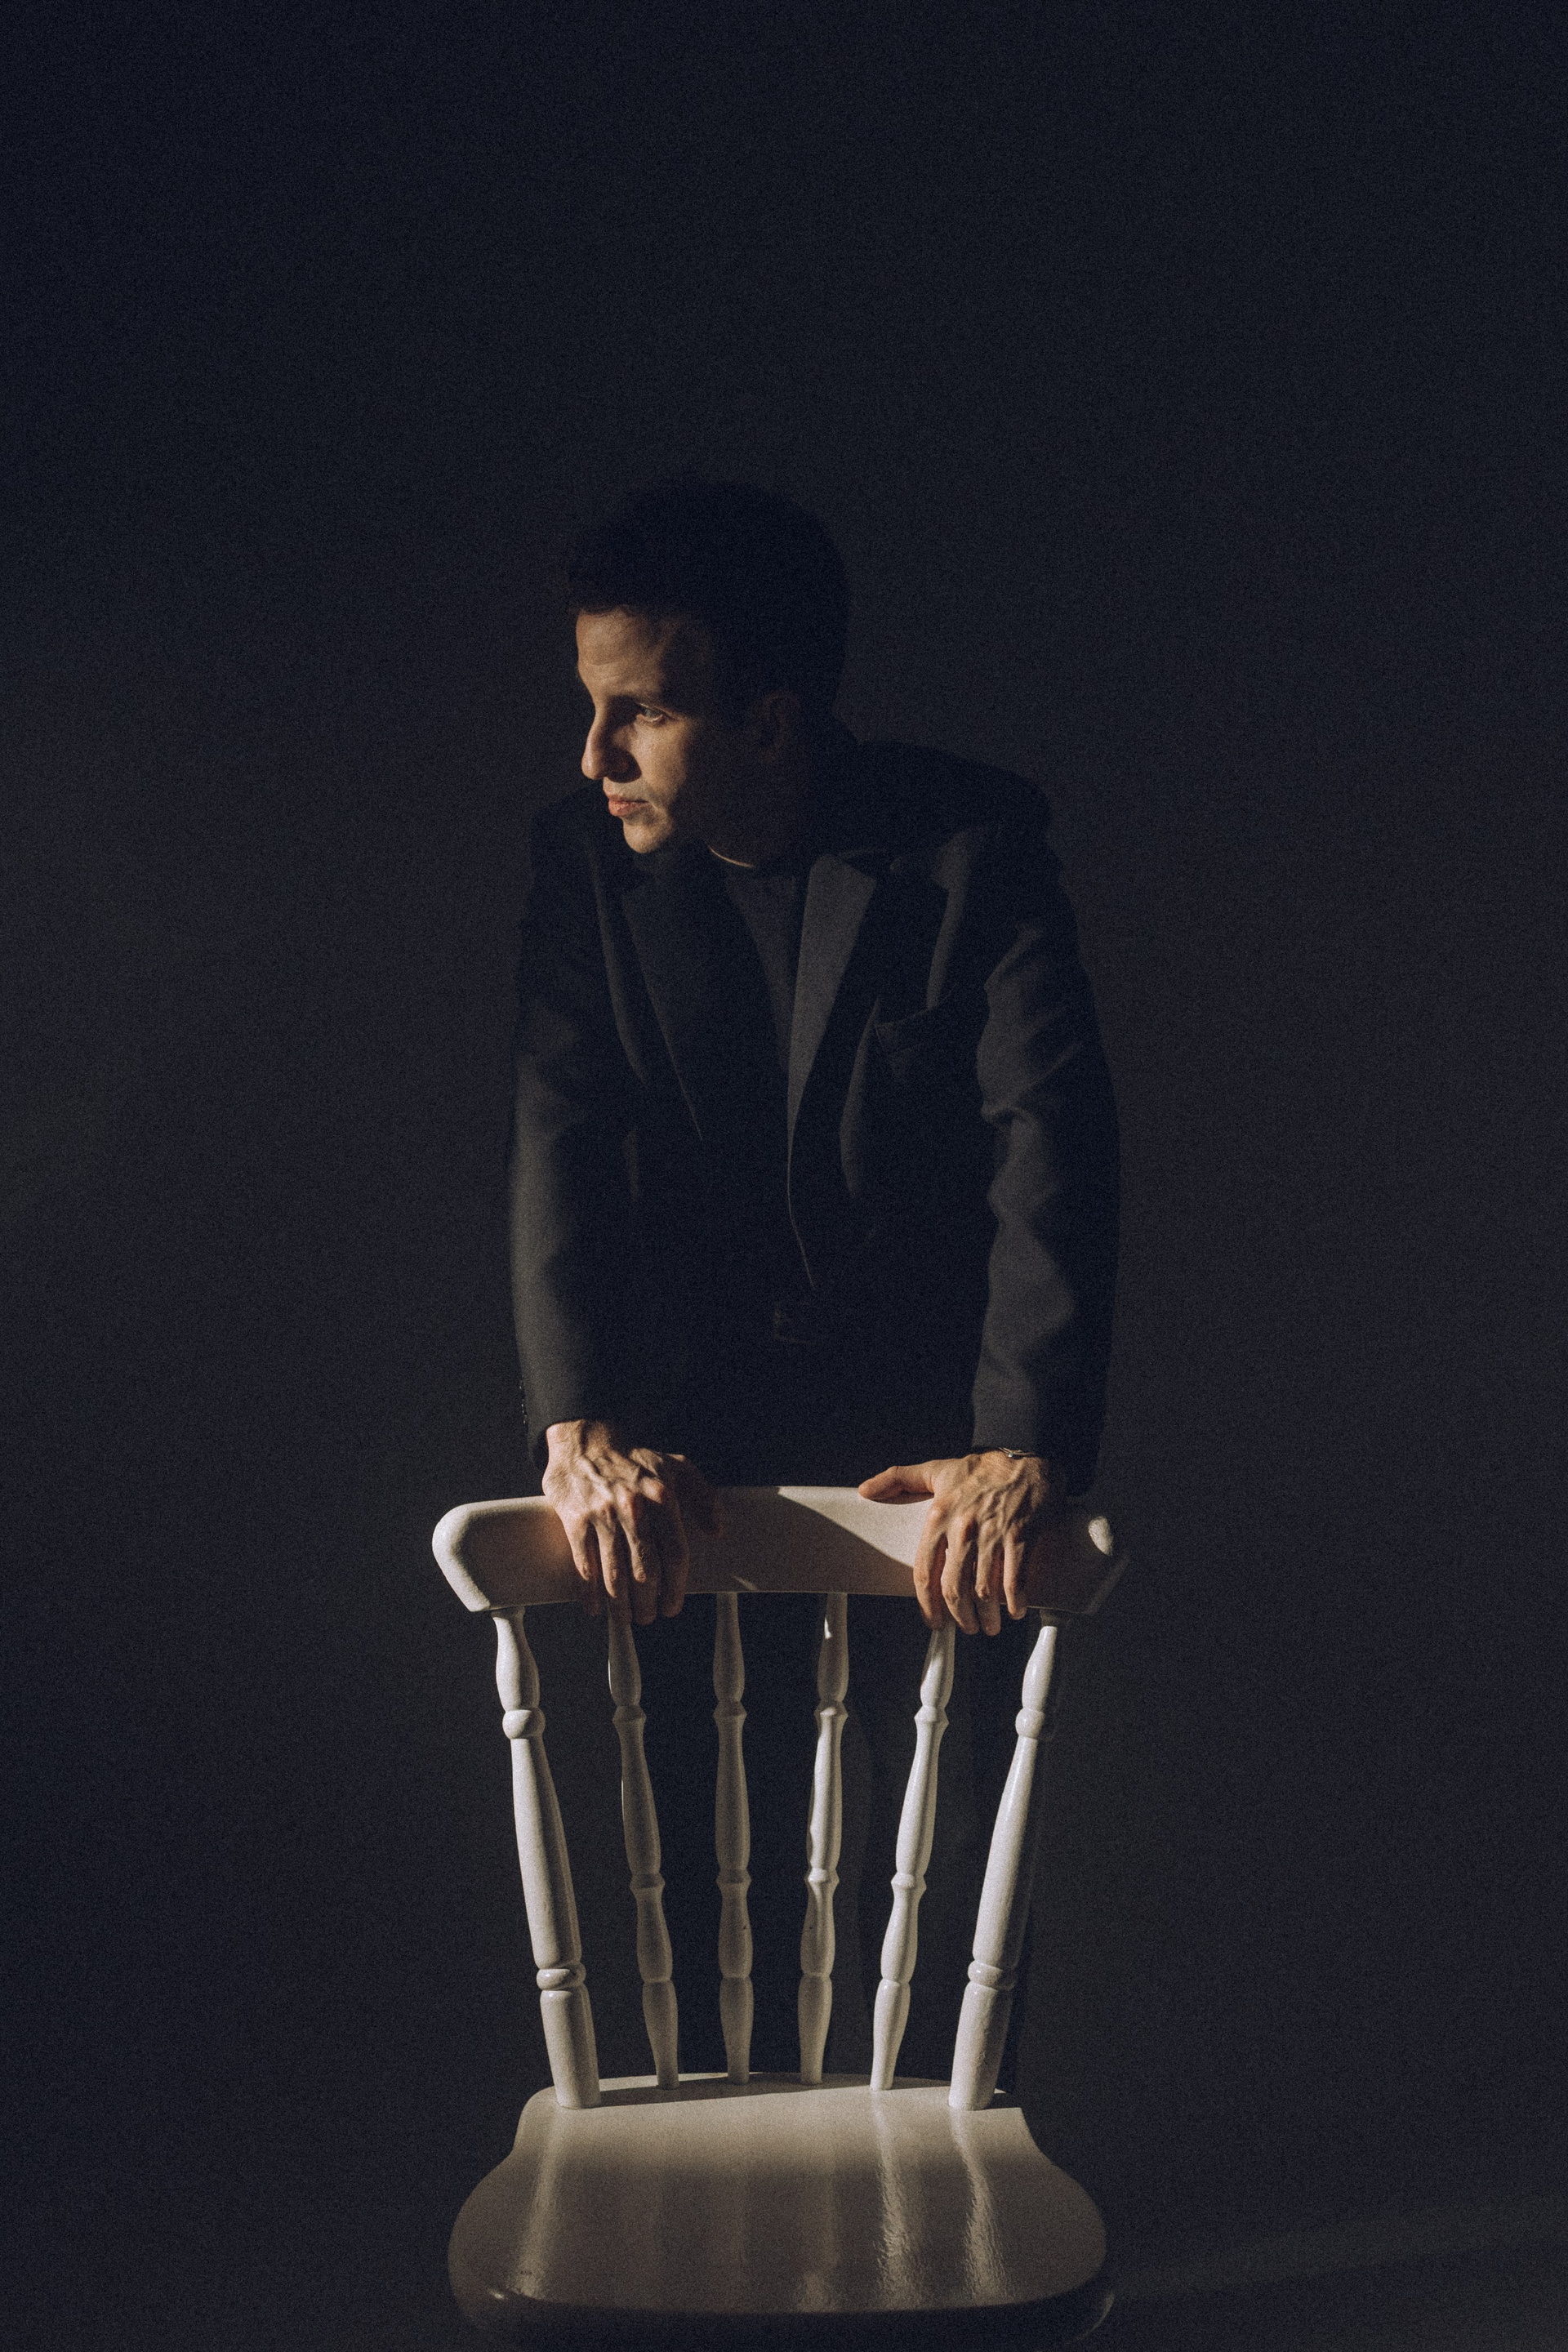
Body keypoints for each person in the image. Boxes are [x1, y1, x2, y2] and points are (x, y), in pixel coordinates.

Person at [509, 476, 1119, 2078]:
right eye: (590, 707)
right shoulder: (585, 865)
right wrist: (581, 1423)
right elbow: (563, 1138)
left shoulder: (970, 848)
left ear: (771, 723)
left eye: (640, 713)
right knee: (703, 1899)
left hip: (930, 1467)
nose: (594, 754)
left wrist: (1025, 1440)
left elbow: (1049, 1141)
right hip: (689, 1464)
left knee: (941, 1901)